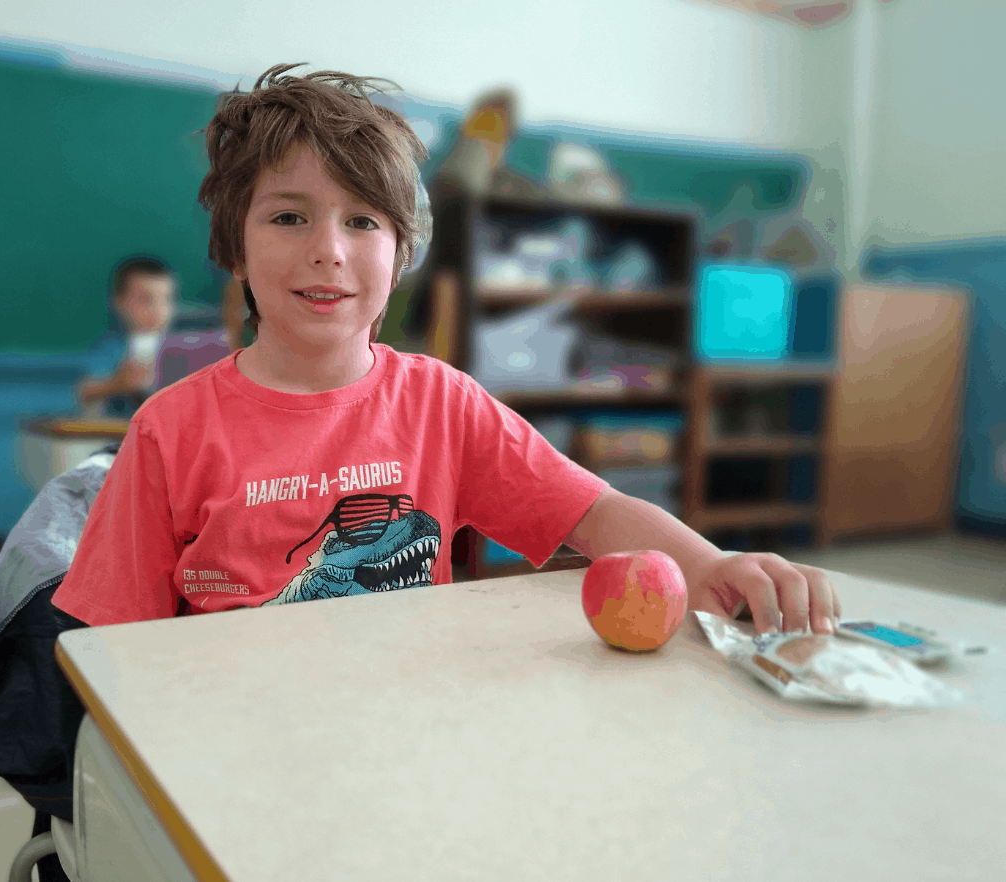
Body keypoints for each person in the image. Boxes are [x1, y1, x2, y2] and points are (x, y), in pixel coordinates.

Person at [52, 63, 841, 640]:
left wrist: (709, 565)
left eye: (363, 222)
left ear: (402, 256)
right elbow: (112, 649)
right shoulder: (169, 428)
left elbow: (594, 512)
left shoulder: (441, 402)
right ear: (233, 247)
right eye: (288, 218)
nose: (329, 250)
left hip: (406, 727)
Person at [76, 257, 176, 418]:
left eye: (166, 300)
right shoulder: (113, 345)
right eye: (145, 300)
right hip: (119, 427)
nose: (158, 310)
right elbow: (84, 391)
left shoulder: (180, 346)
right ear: (119, 302)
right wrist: (117, 383)